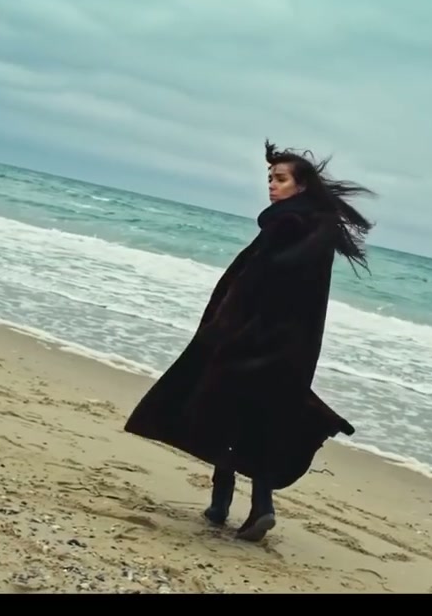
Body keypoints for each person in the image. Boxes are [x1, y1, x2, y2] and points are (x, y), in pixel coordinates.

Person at [123, 139, 376, 542]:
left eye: (280, 179)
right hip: (292, 348)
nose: (271, 185)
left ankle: (228, 503)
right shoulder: (315, 231)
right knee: (258, 419)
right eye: (270, 178)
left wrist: (225, 328)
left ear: (301, 186)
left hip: (251, 337)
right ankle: (253, 506)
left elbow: (256, 284)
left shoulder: (286, 225)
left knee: (223, 410)